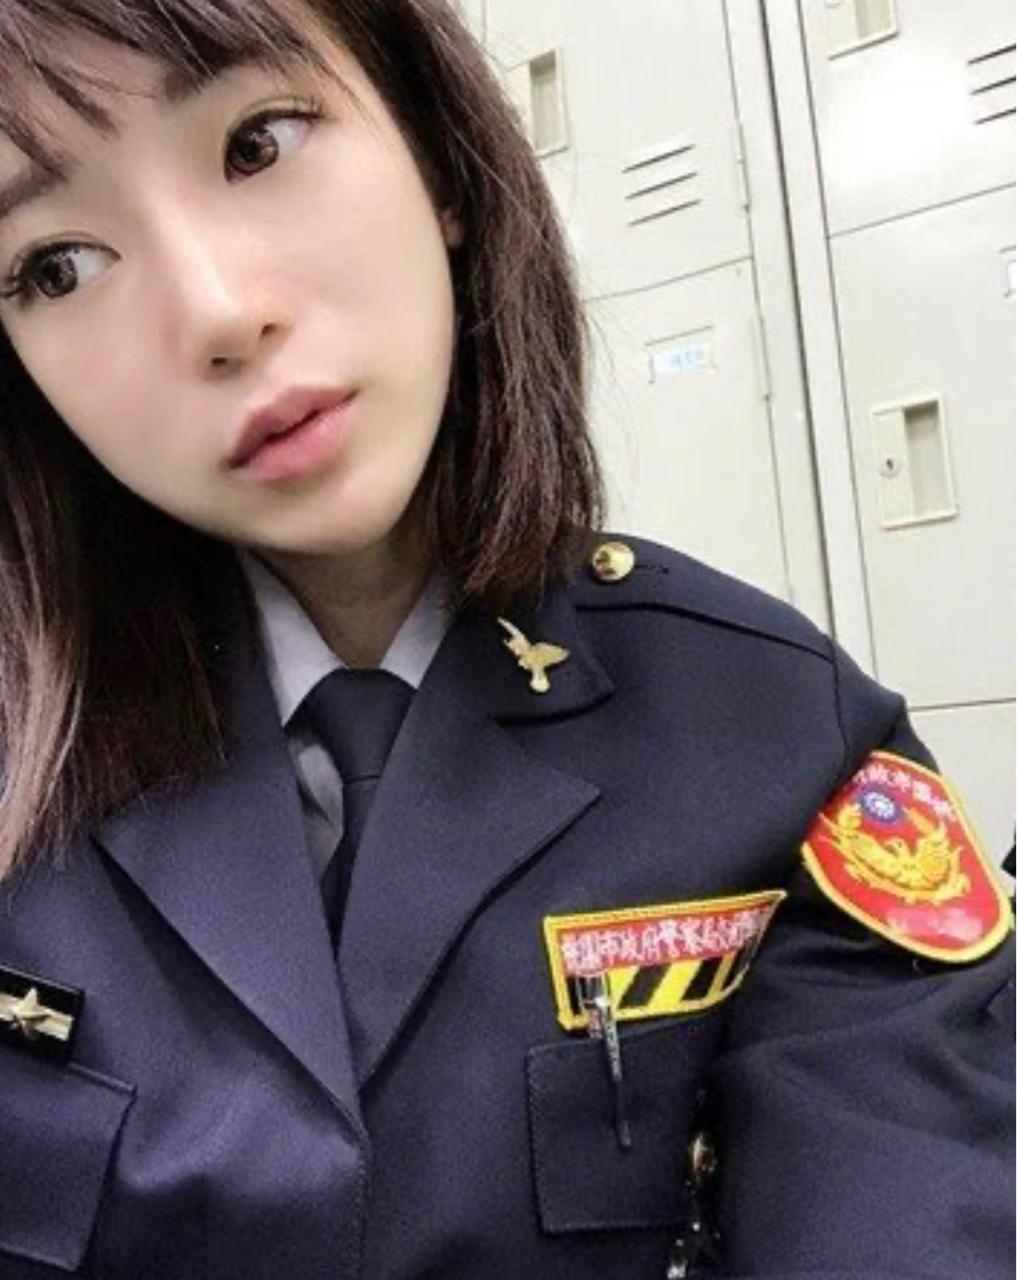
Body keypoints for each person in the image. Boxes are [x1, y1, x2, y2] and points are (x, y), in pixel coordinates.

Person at [0, 2, 1011, 1277]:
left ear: (438, 158)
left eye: (259, 142)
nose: (217, 312)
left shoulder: (781, 734)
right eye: (57, 266)